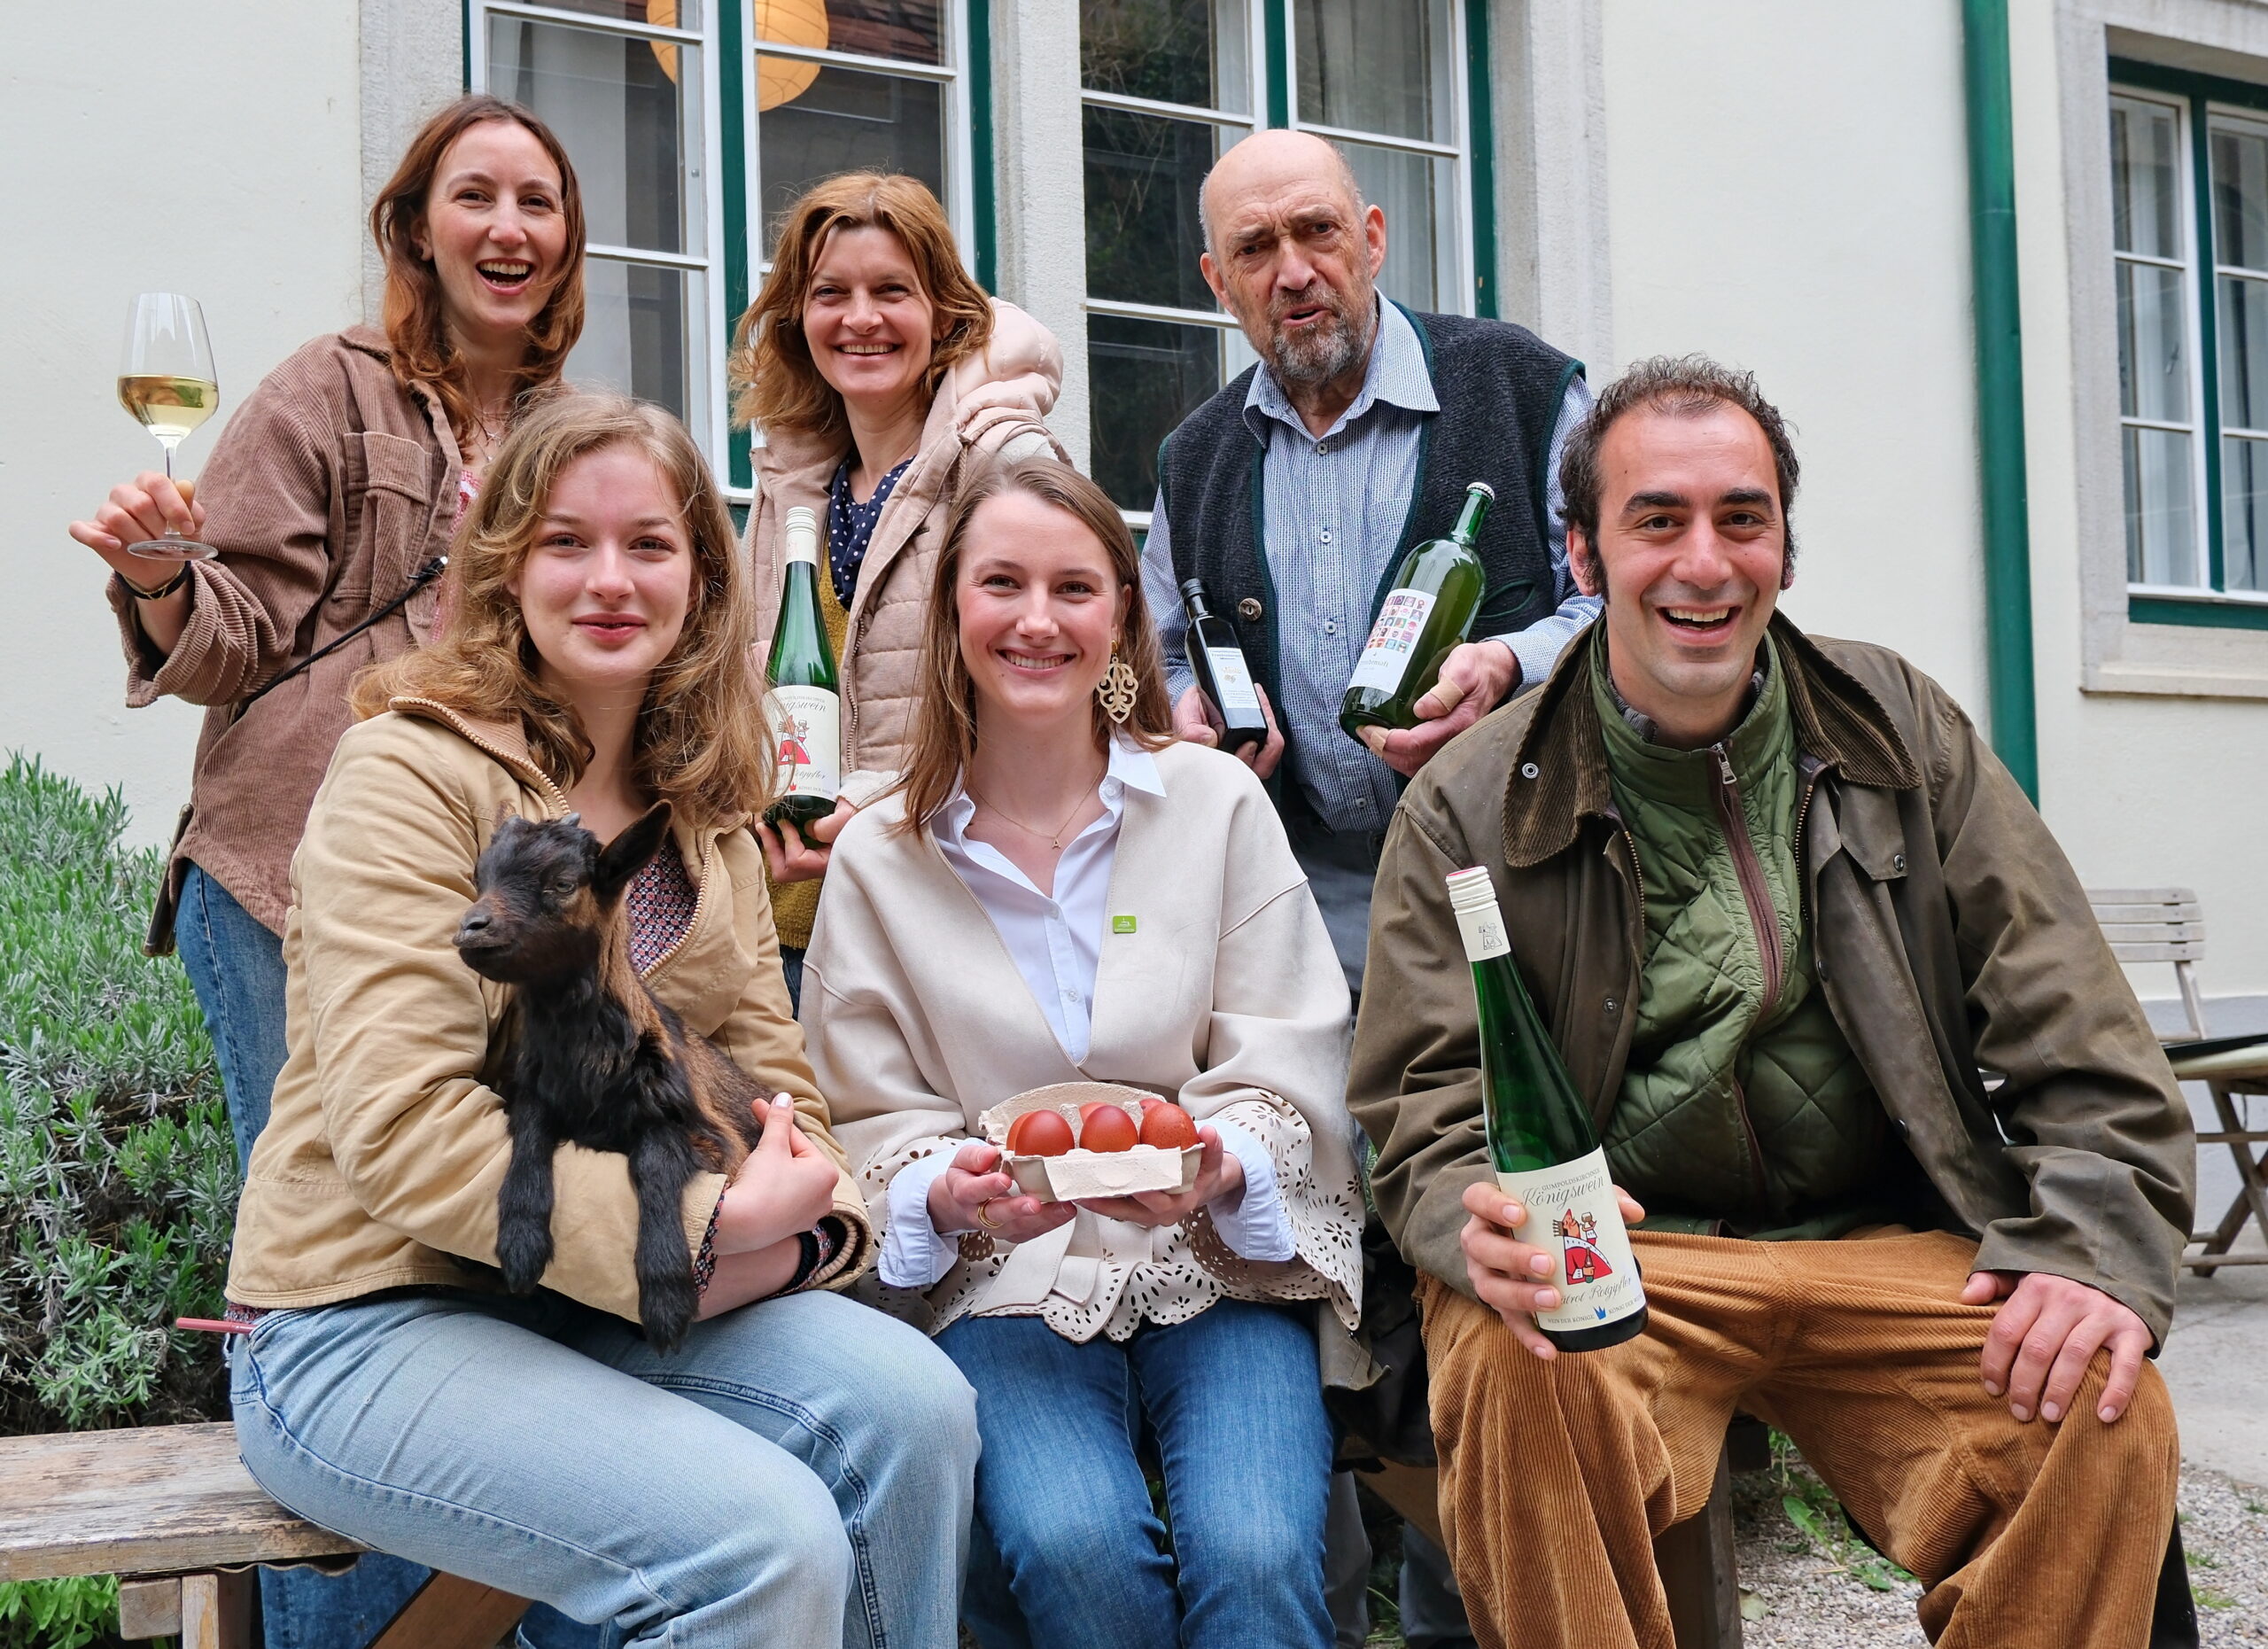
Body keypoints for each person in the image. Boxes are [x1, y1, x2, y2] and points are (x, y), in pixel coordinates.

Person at [1347, 355, 2194, 1649]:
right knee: (1520, 1366)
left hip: (1888, 1242)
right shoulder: (1470, 798)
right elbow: (1424, 1099)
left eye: (1743, 519)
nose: (1705, 561)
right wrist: (1487, 1234)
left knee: (2096, 1392)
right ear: (1582, 556)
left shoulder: (1900, 730)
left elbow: (2077, 1024)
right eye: (1658, 520)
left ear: (1785, 550)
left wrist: (2088, 1249)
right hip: (1628, 1254)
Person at [223, 393, 977, 1649]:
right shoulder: (408, 773)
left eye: (649, 544)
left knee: (917, 1409)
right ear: (506, 564)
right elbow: (403, 1126)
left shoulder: (704, 809)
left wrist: (803, 1225)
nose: (610, 579)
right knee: (761, 1541)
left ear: (701, 574)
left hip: (598, 1304)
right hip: (367, 1320)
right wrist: (702, 1222)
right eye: (567, 541)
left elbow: (780, 1087)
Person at [65, 91, 587, 1649]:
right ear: (416, 227)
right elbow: (225, 632)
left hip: (478, 916)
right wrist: (164, 573)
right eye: (475, 197)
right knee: (343, 1286)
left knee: (482, 1282)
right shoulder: (331, 390)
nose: (508, 227)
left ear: (566, 243)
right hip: (290, 892)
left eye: (539, 203)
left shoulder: (566, 429)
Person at [1138, 127, 1596, 1645]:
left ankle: (1478, 1592)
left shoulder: (1524, 387)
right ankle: (1334, 1585)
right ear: (1216, 281)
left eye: (1317, 231)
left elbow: (1627, 600)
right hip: (1302, 902)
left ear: (1377, 233)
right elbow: (1162, 682)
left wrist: (1512, 661)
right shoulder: (1192, 459)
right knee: (1320, 1235)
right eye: (1255, 251)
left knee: (1484, 1204)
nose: (1295, 271)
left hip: (1514, 894)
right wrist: (1192, 725)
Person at [804, 457, 1363, 1649]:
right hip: (1003, 1282)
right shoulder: (880, 858)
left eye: (1074, 587)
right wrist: (942, 1193)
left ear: (1120, 612)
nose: (1038, 620)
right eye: (1001, 583)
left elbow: (1289, 1043)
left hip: (1214, 1260)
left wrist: (1218, 1162)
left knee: (1259, 1554)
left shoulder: (1213, 804)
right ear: (953, 611)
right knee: (1072, 1545)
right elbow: (864, 1109)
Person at [731, 172, 1067, 1007]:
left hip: (952, 918)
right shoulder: (787, 485)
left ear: (943, 311)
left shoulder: (1003, 460)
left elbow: (1058, 693)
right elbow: (736, 685)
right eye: (830, 293)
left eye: (892, 291)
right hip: (786, 928)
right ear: (798, 316)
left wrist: (882, 801)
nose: (860, 319)